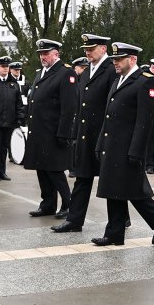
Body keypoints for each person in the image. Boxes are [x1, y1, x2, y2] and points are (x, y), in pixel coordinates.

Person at [92, 42, 154, 246]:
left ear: (132, 59)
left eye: (119, 59)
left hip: (128, 148)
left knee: (134, 191)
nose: (115, 63)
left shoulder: (144, 82)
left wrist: (137, 150)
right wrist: (101, 142)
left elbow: (144, 122)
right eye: (114, 59)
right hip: (112, 145)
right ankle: (114, 233)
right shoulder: (118, 80)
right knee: (113, 190)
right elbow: (108, 116)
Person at [52, 34, 116, 233]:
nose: (87, 51)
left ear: (103, 49)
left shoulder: (111, 70)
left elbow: (112, 106)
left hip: (103, 135)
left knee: (113, 182)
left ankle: (129, 219)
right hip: (86, 135)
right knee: (82, 178)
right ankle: (74, 220)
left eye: (92, 48)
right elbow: (81, 105)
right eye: (86, 48)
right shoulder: (87, 72)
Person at [21, 39, 77, 219]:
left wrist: (63, 133)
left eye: (46, 53)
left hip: (53, 132)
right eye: (41, 54)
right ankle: (48, 204)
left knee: (55, 170)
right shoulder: (41, 73)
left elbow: (69, 107)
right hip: (39, 131)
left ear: (56, 54)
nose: (43, 57)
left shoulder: (65, 73)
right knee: (41, 168)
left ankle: (68, 204)